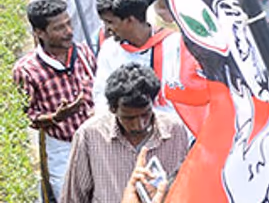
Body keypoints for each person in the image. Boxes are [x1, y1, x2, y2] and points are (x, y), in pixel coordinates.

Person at [62, 64, 188, 203]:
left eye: (145, 114)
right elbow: (73, 197)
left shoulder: (175, 131)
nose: (139, 125)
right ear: (113, 109)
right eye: (129, 118)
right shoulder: (90, 135)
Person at [13, 0, 96, 201]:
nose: (69, 31)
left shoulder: (83, 53)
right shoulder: (27, 70)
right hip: (62, 147)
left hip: (95, 139)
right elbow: (25, 117)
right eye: (59, 28)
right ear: (39, 33)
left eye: (69, 23)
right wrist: (55, 117)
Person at [91, 0, 182, 117]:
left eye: (110, 22)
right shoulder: (109, 50)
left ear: (130, 20)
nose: (107, 29)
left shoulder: (175, 44)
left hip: (174, 122)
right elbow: (101, 96)